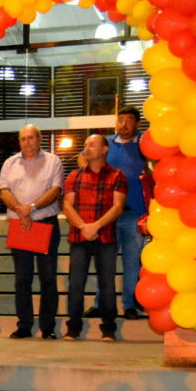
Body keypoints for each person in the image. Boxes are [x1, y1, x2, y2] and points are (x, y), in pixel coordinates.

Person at [0, 124, 64, 339]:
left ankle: (47, 328)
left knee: (48, 278)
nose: (27, 142)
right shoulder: (10, 163)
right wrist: (20, 210)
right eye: (23, 138)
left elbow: (55, 190)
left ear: (39, 138)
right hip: (20, 226)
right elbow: (3, 190)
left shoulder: (53, 161)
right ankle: (24, 326)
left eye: (31, 138)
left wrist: (31, 208)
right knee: (22, 279)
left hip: (45, 224)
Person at [62, 134, 127, 342]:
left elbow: (117, 207)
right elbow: (67, 206)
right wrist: (83, 226)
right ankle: (73, 328)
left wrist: (96, 226)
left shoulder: (117, 176)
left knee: (107, 285)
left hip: (106, 237)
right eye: (86, 145)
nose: (87, 148)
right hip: (79, 237)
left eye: (92, 145)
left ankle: (108, 329)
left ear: (105, 149)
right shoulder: (74, 175)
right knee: (75, 284)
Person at [104, 106, 147, 320]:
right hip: (108, 215)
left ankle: (130, 304)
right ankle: (101, 303)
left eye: (129, 120)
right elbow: (84, 159)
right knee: (105, 262)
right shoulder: (106, 145)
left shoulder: (145, 145)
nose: (124, 124)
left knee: (132, 262)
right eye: (120, 120)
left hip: (135, 215)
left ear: (137, 123)